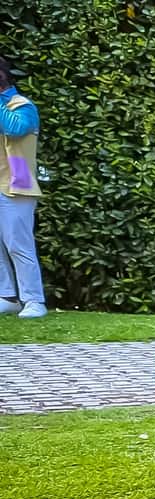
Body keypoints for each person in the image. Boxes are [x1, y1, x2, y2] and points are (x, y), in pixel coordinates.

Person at [0, 56, 44, 319]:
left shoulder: (23, 106)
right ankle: (7, 297)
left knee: (19, 246)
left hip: (17, 184)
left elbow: (14, 128)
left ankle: (34, 300)